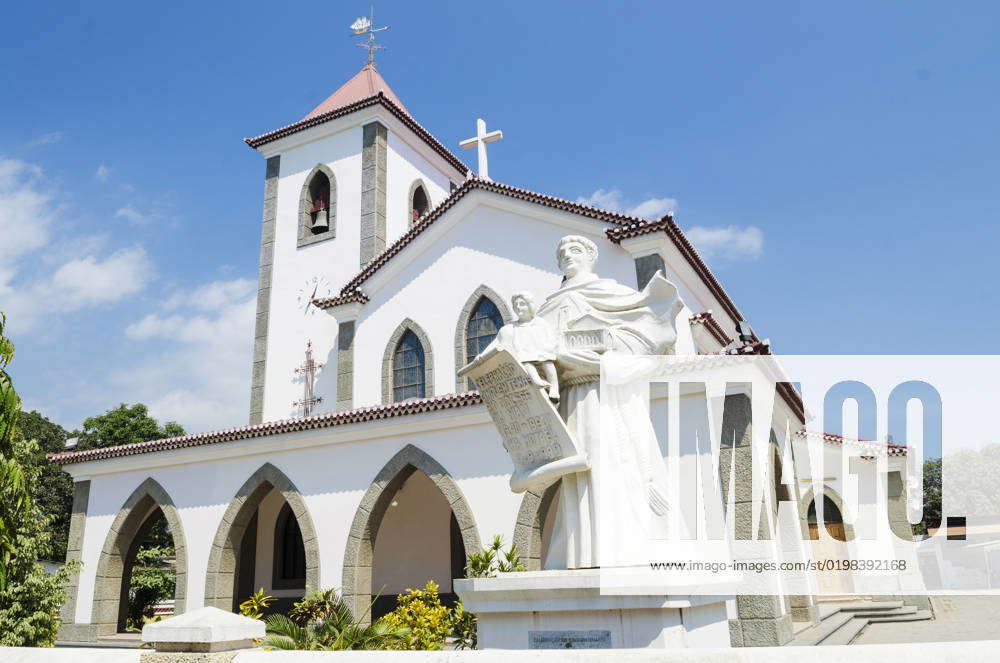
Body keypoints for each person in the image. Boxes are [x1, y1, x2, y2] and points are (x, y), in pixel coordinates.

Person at [535, 234, 683, 569]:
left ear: (590, 257)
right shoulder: (549, 304)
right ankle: (580, 551)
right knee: (578, 471)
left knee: (614, 461)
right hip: (571, 397)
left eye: (574, 250)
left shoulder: (611, 293)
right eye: (561, 254)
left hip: (607, 394)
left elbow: (646, 335)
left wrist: (600, 353)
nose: (567, 256)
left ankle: (623, 546)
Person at [489, 291, 560, 402]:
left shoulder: (540, 322)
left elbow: (550, 335)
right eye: (516, 305)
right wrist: (480, 356)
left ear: (530, 305)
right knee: (525, 361)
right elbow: (497, 341)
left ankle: (554, 388)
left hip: (543, 351)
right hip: (524, 352)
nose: (518, 307)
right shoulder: (513, 326)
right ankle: (536, 380)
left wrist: (549, 347)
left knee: (547, 362)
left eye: (522, 304)